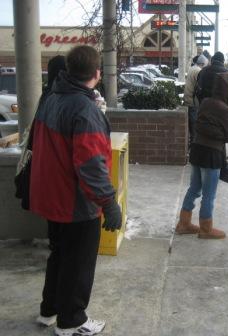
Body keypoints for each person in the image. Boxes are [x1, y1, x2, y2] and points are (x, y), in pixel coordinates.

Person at [30, 46, 121, 336]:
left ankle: (50, 310)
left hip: (50, 196)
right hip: (74, 202)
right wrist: (109, 203)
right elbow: (92, 165)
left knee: (59, 255)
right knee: (78, 263)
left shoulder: (51, 98)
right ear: (96, 74)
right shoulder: (84, 110)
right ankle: (71, 321)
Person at [175, 72, 228, 239]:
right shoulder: (226, 111)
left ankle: (183, 223)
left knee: (194, 188)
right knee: (209, 194)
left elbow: (201, 125)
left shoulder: (206, 102)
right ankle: (206, 228)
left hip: (197, 151)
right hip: (212, 155)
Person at [183, 54, 209, 147]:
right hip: (193, 101)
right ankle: (194, 146)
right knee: (194, 125)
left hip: (188, 99)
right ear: (202, 64)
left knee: (191, 124)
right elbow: (200, 87)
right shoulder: (198, 71)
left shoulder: (192, 69)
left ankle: (192, 144)